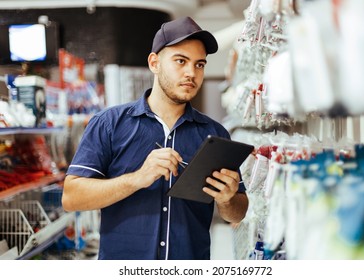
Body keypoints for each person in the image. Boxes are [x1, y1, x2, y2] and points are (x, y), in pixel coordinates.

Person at [62, 16, 249, 260]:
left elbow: (237, 213)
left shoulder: (215, 134)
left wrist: (227, 200)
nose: (191, 73)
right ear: (154, 63)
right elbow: (71, 197)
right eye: (180, 61)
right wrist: (138, 178)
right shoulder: (109, 124)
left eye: (199, 65)